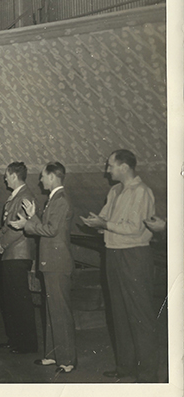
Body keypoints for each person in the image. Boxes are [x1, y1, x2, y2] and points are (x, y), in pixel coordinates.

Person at [81, 149, 158, 382]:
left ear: (124, 167)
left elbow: (135, 228)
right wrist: (97, 224)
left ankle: (147, 374)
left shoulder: (142, 192)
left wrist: (104, 223)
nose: (107, 170)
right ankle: (125, 367)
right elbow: (106, 221)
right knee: (119, 314)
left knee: (139, 316)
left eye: (110, 165)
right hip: (113, 254)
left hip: (134, 256)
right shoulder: (114, 191)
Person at [10, 162, 76, 374]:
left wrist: (26, 225)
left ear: (52, 177)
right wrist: (31, 216)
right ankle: (52, 354)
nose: (40, 180)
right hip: (50, 262)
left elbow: (50, 230)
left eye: (43, 176)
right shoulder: (53, 199)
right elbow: (47, 227)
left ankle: (67, 359)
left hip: (57, 262)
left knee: (60, 311)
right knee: (50, 310)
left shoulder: (61, 200)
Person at [0, 161, 38, 354]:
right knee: (11, 299)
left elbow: (20, 228)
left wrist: (1, 243)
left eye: (7, 175)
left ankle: (26, 343)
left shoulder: (25, 196)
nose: (5, 178)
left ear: (14, 176)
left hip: (18, 254)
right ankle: (15, 338)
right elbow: (8, 225)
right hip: (11, 254)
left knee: (19, 300)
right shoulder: (16, 197)